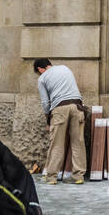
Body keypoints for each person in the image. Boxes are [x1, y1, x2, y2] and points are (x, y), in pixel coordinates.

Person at [33, 57, 86, 185]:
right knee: (78, 142)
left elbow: (45, 103)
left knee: (57, 143)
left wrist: (48, 120)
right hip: (77, 106)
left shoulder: (42, 78)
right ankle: (78, 176)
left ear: (40, 69)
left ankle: (51, 177)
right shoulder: (65, 68)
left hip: (59, 108)